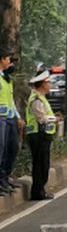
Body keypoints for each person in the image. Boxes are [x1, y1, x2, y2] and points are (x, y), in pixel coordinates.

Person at [25, 71, 57, 201]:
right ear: (43, 84)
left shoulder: (42, 98)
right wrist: (54, 119)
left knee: (43, 164)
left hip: (43, 135)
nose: (50, 85)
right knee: (40, 165)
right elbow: (41, 118)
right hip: (38, 135)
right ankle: (38, 192)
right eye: (48, 82)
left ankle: (40, 190)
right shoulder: (37, 99)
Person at [0, 49, 20, 194]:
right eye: (8, 59)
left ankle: (5, 177)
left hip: (10, 118)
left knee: (12, 148)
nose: (10, 62)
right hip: (1, 119)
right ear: (1, 59)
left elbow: (11, 100)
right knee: (1, 149)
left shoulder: (6, 79)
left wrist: (17, 117)